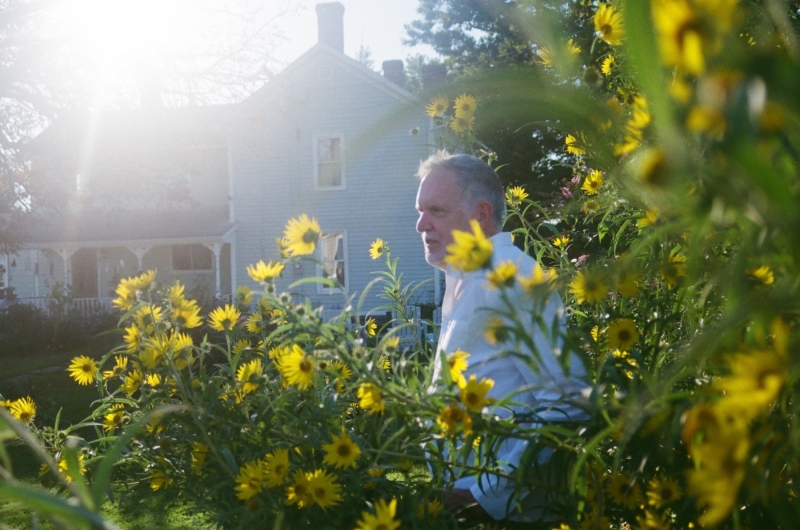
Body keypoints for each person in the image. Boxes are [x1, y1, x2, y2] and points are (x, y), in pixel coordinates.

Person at [415, 151, 587, 522]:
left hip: (512, 517)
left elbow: (567, 396)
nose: (421, 225)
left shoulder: (512, 277)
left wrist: (484, 494)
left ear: (480, 215)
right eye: (420, 211)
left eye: (437, 211)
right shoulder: (463, 279)